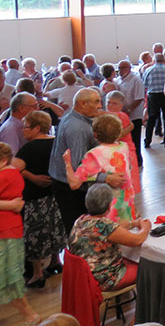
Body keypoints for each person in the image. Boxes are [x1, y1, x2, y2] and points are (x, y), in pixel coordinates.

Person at [49, 89, 124, 234]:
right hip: (70, 189)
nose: (100, 106)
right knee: (79, 231)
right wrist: (106, 177)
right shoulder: (78, 128)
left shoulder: (75, 118)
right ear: (82, 104)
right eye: (96, 102)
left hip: (66, 184)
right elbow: (78, 168)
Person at [13, 111, 65, 289]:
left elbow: (14, 168)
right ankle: (55, 261)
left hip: (35, 197)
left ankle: (37, 274)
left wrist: (31, 176)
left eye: (26, 127)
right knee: (55, 228)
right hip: (56, 193)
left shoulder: (28, 149)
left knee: (35, 232)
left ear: (37, 128)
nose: (23, 131)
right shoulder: (56, 142)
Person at [68, 184, 150, 291]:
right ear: (109, 206)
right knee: (152, 268)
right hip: (106, 279)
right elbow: (137, 240)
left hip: (85, 277)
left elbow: (115, 228)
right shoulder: (104, 226)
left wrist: (133, 223)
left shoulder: (80, 220)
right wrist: (146, 227)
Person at [62, 114, 137, 223]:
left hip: (107, 207)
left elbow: (74, 184)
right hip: (126, 203)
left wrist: (67, 163)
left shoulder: (94, 154)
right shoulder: (123, 147)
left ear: (95, 134)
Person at [0, 141, 41, 326]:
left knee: (9, 276)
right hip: (8, 230)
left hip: (6, 232)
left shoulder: (7, 175)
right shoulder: (10, 173)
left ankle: (30, 316)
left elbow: (16, 204)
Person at [115, 60, 145, 167]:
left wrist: (128, 110)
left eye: (123, 68)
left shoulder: (136, 80)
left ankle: (137, 161)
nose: (120, 70)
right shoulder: (118, 80)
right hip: (122, 116)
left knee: (135, 139)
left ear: (129, 68)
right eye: (119, 68)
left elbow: (139, 98)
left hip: (134, 115)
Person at [142, 53, 165, 149]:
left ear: (154, 60)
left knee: (151, 119)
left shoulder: (149, 70)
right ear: (163, 60)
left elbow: (145, 84)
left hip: (153, 95)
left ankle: (147, 141)